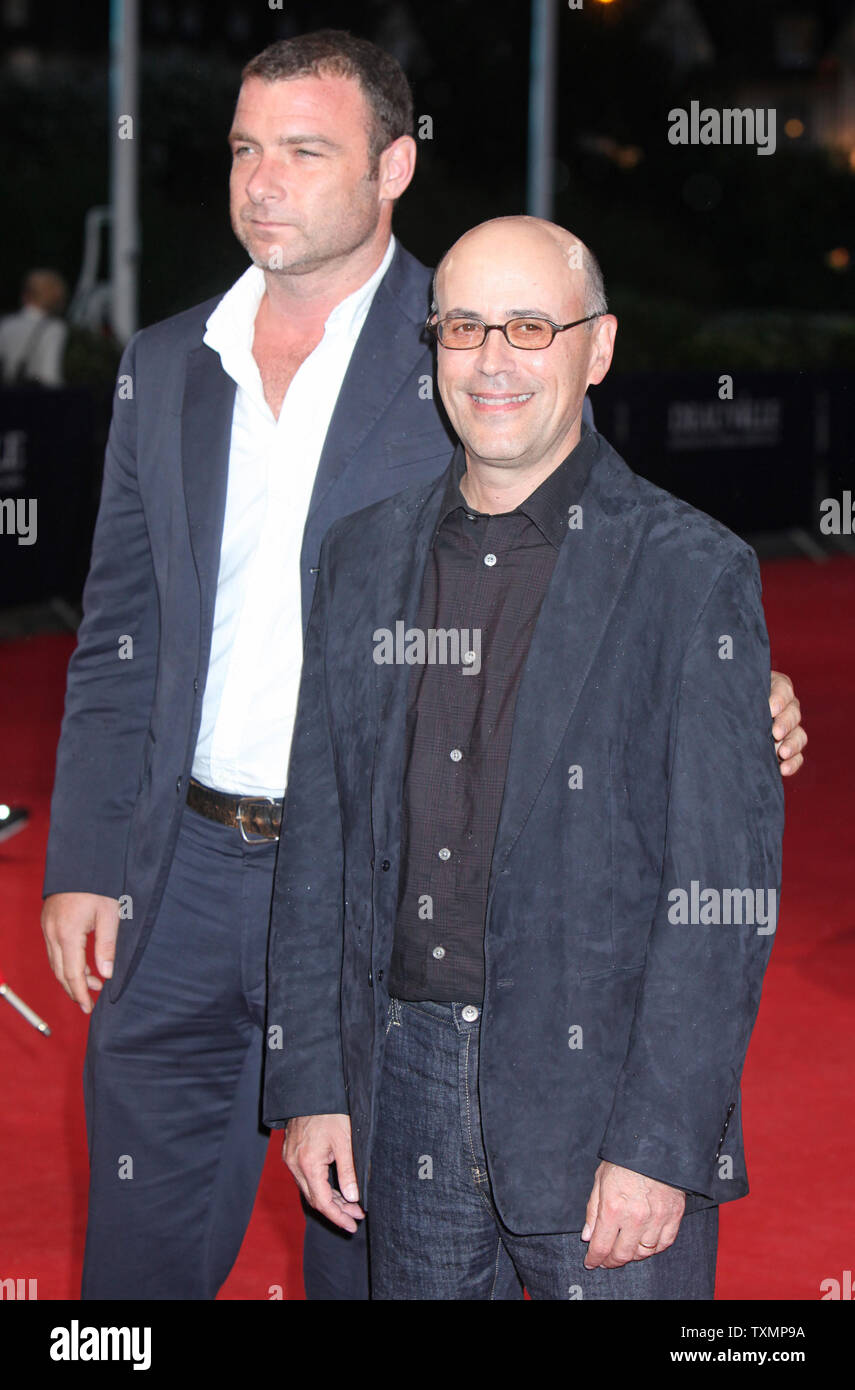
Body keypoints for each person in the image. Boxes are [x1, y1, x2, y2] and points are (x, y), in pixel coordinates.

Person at [41, 31, 805, 1303]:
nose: (262, 182)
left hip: (384, 900)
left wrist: (734, 684)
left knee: (374, 1254)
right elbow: (122, 631)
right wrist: (81, 858)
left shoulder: (460, 346)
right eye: (243, 149)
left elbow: (582, 550)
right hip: (182, 876)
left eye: (303, 150)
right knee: (130, 1276)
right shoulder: (169, 364)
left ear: (394, 166)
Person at [264, 216, 787, 1300]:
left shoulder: (693, 573)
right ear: (435, 346)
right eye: (464, 326)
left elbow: (722, 897)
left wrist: (660, 1143)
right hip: (399, 1085)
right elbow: (322, 837)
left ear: (597, 348)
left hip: (607, 1111)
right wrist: (315, 1078)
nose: (493, 358)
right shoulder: (358, 560)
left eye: (531, 326)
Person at [0, 270, 68, 387]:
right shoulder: (54, 328)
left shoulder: (6, 324)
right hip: (38, 398)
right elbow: (49, 375)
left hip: (9, 395)